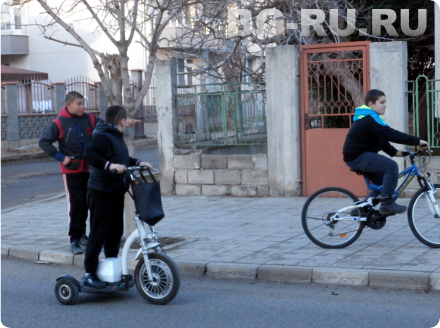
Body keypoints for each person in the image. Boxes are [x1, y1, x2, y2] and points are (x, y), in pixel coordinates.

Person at [39, 92, 140, 254]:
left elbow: (108, 125)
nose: (82, 107)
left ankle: (84, 236)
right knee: (76, 204)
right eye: (78, 104)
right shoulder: (59, 123)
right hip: (72, 171)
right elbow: (44, 142)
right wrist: (60, 157)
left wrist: (124, 123)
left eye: (83, 103)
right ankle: (75, 238)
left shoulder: (90, 119)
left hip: (90, 169)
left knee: (88, 203)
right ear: (69, 104)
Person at [82, 105, 152, 289]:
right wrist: (108, 165)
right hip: (100, 192)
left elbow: (121, 159)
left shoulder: (115, 136)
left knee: (114, 232)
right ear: (122, 121)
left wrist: (138, 162)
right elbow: (89, 154)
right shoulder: (103, 136)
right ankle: (89, 272)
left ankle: (111, 268)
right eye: (125, 120)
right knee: (98, 232)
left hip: (115, 191)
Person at [343, 89, 428, 215]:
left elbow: (385, 143)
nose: (385, 105)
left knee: (383, 185)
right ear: (371, 104)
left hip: (359, 156)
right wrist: (417, 141)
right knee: (391, 166)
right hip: (357, 156)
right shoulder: (369, 119)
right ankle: (387, 204)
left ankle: (361, 209)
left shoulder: (371, 119)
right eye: (381, 102)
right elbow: (390, 134)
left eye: (385, 102)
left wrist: (401, 152)